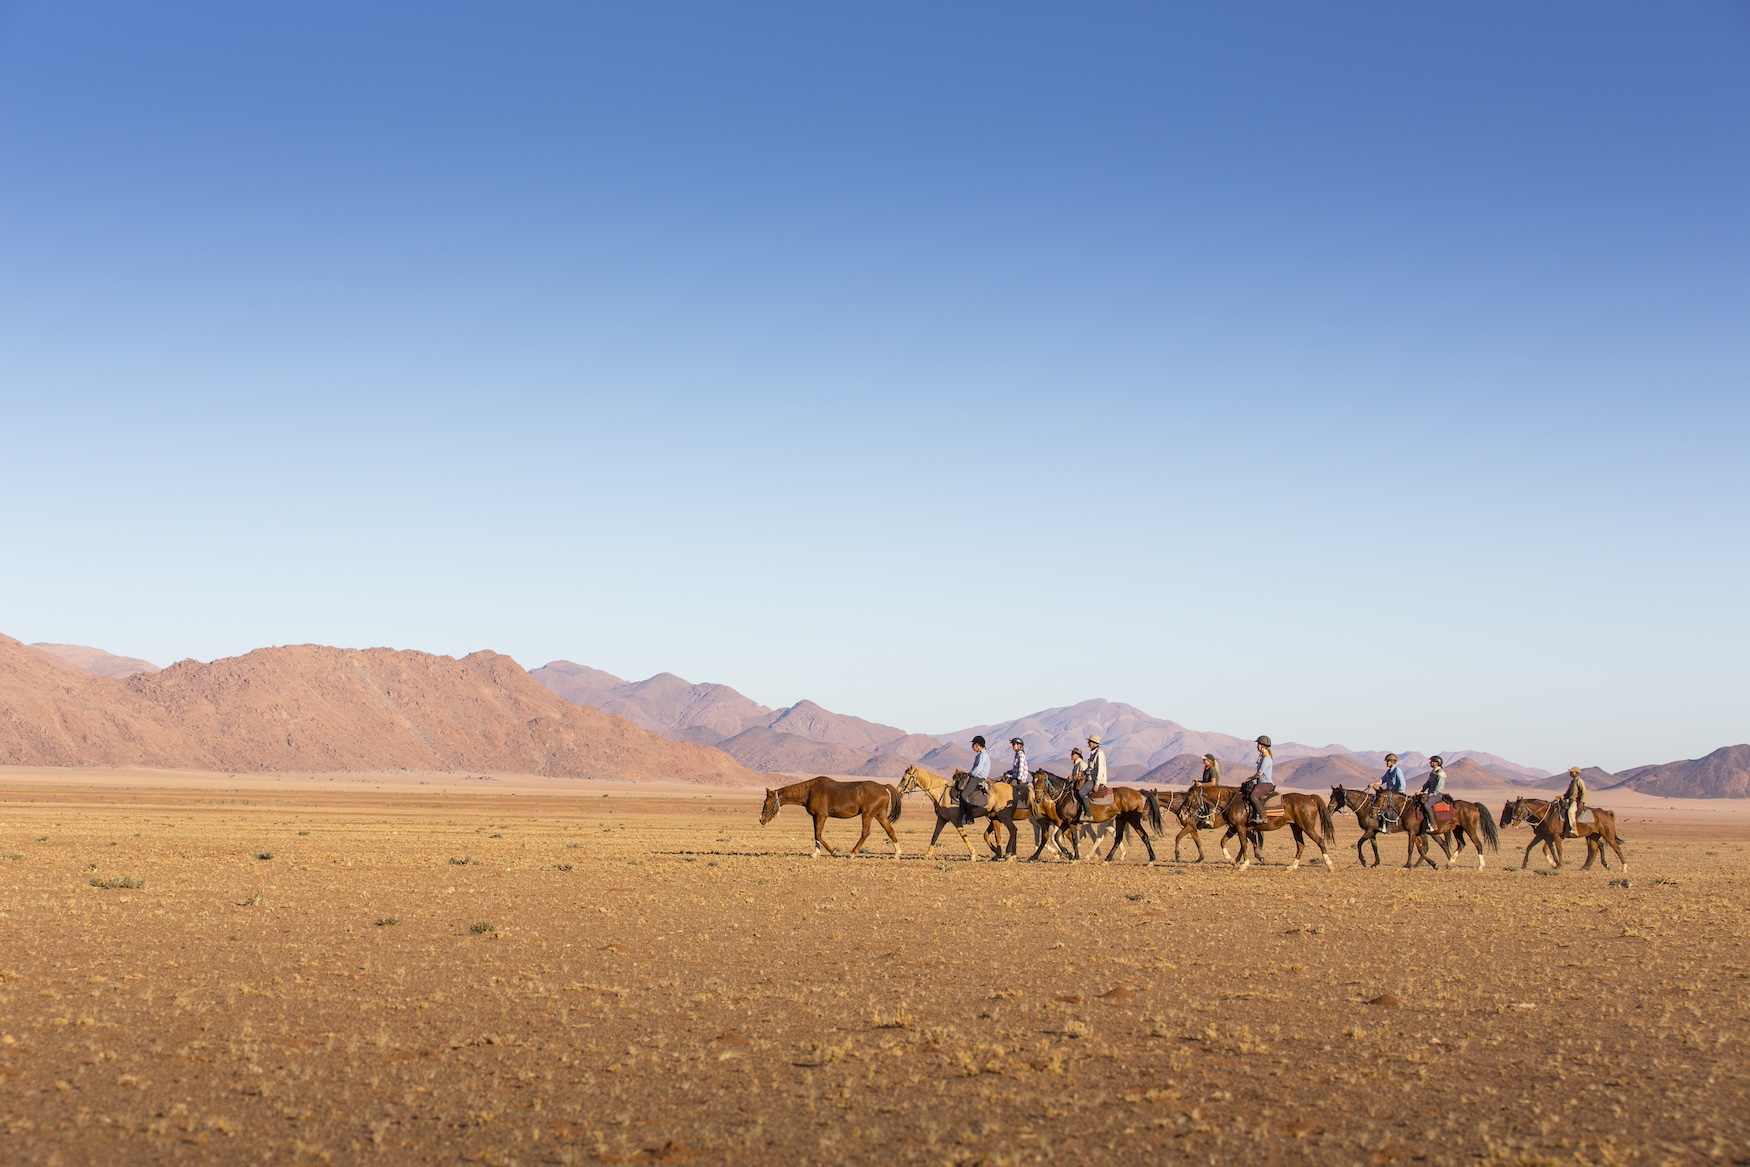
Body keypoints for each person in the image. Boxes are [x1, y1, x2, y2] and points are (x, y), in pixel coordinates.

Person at [1240, 736, 1275, 825]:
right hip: (1261, 783)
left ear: (1262, 746)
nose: (1257, 746)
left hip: (1265, 783)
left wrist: (1250, 778)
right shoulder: (1263, 758)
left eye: (1258, 744)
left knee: (1253, 797)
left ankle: (1263, 816)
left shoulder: (1266, 758)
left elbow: (1259, 774)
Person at [957, 736, 991, 826]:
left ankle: (970, 817)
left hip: (977, 778)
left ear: (977, 745)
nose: (972, 747)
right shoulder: (980, 755)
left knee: (964, 794)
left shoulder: (983, 755)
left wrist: (970, 774)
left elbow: (978, 769)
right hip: (975, 777)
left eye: (973, 745)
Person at [1370, 753, 1406, 826]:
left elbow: (1402, 784)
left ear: (1392, 762)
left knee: (1386, 806)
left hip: (1396, 795)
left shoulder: (1397, 771)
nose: (1386, 763)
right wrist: (1373, 784)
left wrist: (1397, 794)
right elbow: (1382, 780)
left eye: (1387, 761)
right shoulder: (1389, 772)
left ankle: (1391, 825)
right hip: (1389, 794)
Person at [1416, 755, 1448, 831]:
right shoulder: (1433, 772)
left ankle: (1433, 824)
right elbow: (1428, 783)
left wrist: (1433, 794)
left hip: (1437, 794)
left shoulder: (1440, 773)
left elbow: (1439, 786)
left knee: (1426, 805)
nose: (1430, 762)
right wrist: (1420, 790)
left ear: (1436, 763)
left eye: (1432, 761)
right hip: (1430, 793)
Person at [1560, 767, 1587, 838]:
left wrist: (1582, 801)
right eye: (1570, 772)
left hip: (1575, 801)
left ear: (1577, 773)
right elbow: (1568, 794)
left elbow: (1584, 791)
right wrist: (1561, 797)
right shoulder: (1572, 782)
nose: (1570, 773)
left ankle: (1574, 829)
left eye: (1572, 772)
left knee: (1570, 812)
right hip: (1570, 801)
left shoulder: (1579, 781)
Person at [1068, 747, 1091, 822]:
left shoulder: (1082, 764)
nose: (1071, 755)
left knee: (1081, 794)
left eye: (1072, 754)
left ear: (1078, 755)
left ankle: (1084, 812)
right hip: (1076, 784)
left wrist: (1073, 778)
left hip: (1082, 785)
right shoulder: (1076, 764)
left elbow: (1085, 775)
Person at [1005, 737, 1030, 807]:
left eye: (1014, 744)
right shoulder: (1017, 754)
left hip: (1019, 778)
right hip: (1015, 776)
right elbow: (1016, 768)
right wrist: (1009, 772)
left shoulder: (1021, 755)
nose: (1012, 746)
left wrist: (1019, 779)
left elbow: (1021, 768)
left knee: (1009, 787)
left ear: (1019, 746)